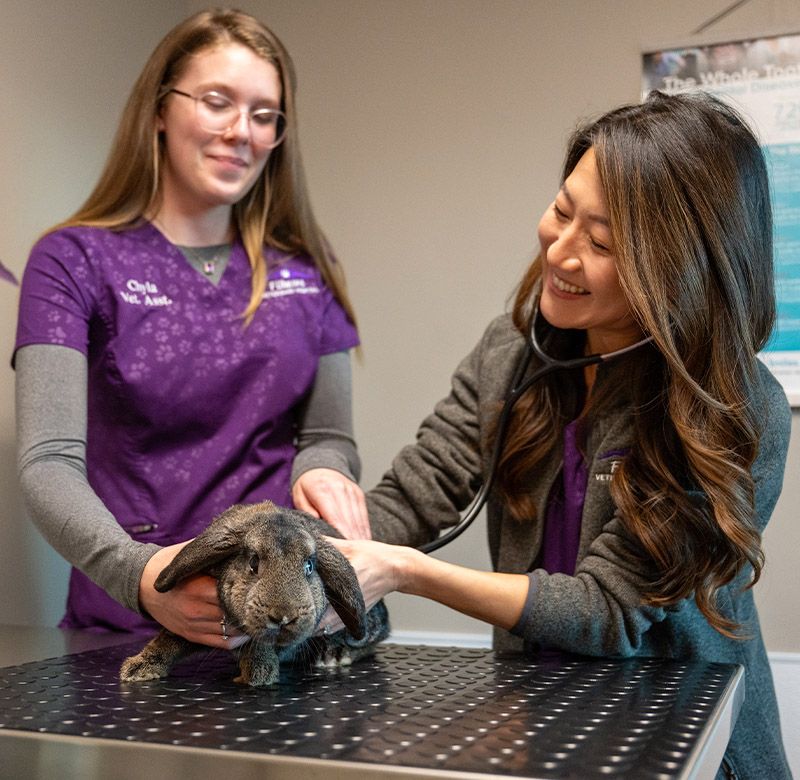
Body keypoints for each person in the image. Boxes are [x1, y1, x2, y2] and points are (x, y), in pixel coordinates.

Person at [322, 91, 793, 779]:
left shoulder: (735, 410)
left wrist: (406, 571)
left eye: (602, 242)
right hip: (546, 734)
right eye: (562, 210)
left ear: (679, 269)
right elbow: (418, 493)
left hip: (686, 749)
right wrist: (304, 536)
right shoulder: (514, 352)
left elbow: (607, 612)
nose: (560, 250)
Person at [14, 9, 369, 647]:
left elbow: (327, 437)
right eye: (217, 102)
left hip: (275, 629)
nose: (242, 132)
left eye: (265, 115)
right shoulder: (72, 260)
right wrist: (142, 576)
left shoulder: (308, 268)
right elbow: (49, 463)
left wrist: (321, 470)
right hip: (125, 625)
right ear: (158, 108)